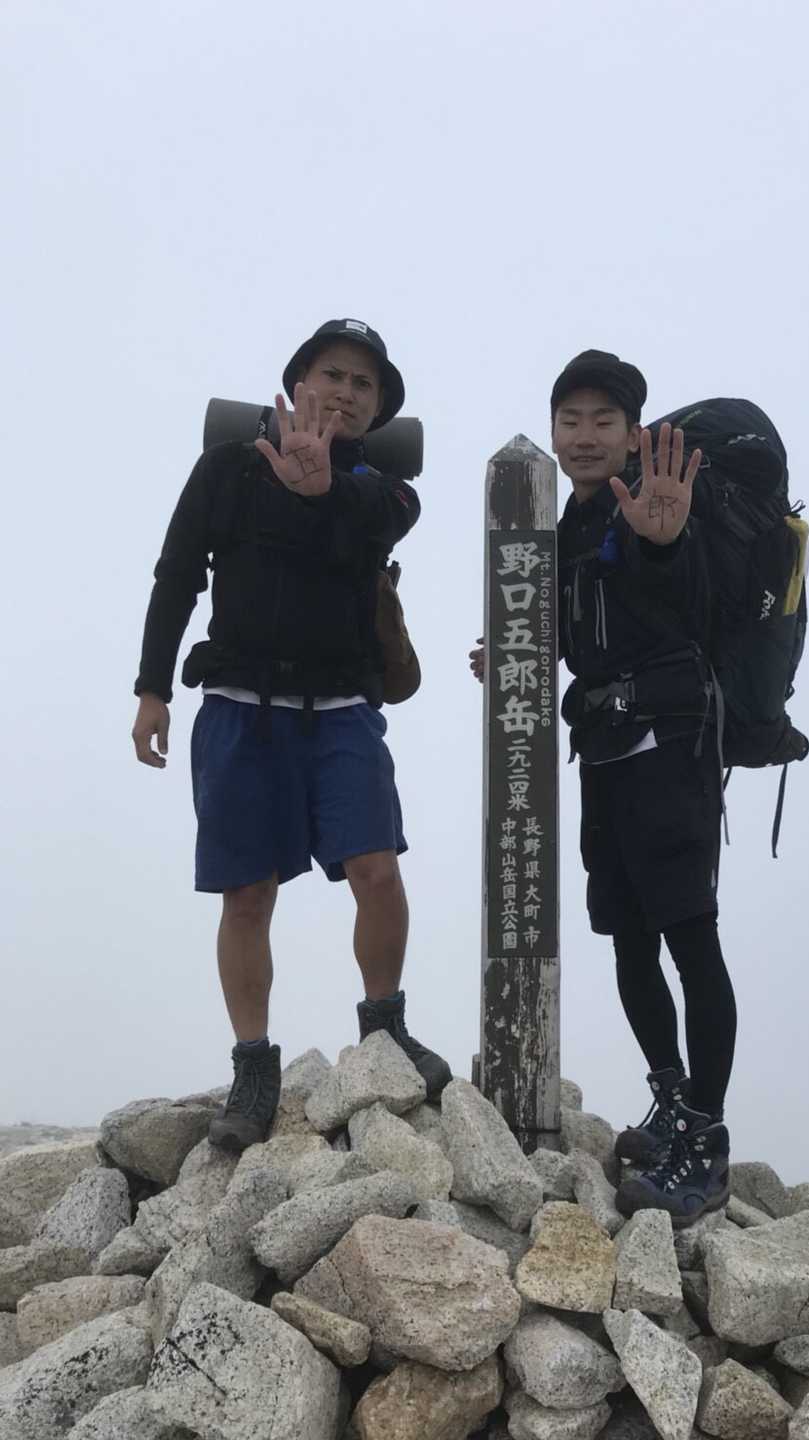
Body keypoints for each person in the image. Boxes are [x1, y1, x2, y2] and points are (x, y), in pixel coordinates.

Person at [133, 319, 451, 1152]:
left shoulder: (388, 491)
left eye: (363, 384)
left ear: (378, 408)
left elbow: (373, 521)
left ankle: (385, 1029)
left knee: (377, 871)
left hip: (343, 710)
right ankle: (253, 1066)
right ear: (298, 381)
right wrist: (152, 688)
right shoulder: (229, 469)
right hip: (240, 706)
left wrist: (321, 488)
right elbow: (177, 573)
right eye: (332, 374)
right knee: (247, 895)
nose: (346, 392)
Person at [471, 351, 734, 1225]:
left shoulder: (660, 506)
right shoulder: (565, 524)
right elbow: (575, 629)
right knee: (627, 937)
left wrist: (665, 539)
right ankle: (671, 1100)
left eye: (603, 421)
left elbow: (681, 595)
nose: (584, 436)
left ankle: (706, 1140)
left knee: (691, 940)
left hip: (670, 749)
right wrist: (514, 648)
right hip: (605, 752)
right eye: (570, 419)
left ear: (632, 433)